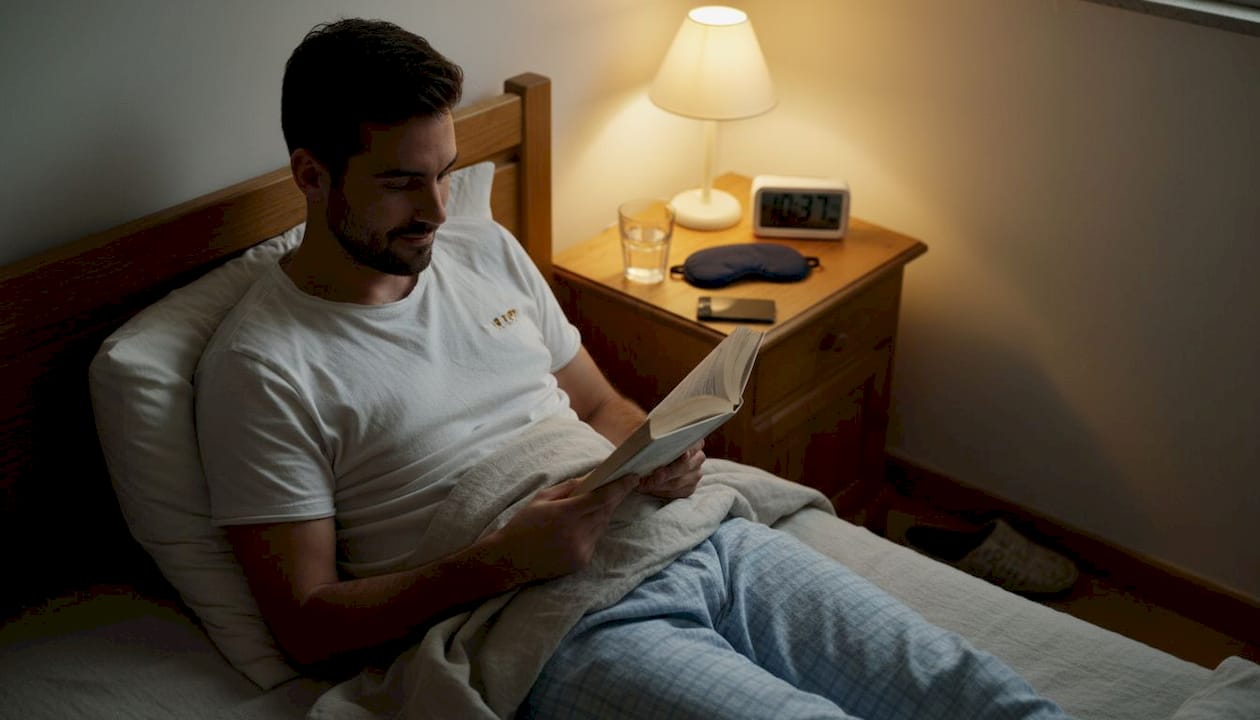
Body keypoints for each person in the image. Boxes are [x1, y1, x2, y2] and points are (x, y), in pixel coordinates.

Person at [195, 18, 1070, 719]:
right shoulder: (262, 365)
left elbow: (603, 406)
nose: (435, 210)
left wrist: (662, 449)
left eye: (446, 174)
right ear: (311, 175)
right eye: (399, 184)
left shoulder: (481, 249)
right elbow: (305, 627)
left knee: (973, 691)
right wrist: (503, 562)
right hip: (544, 622)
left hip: (682, 534)